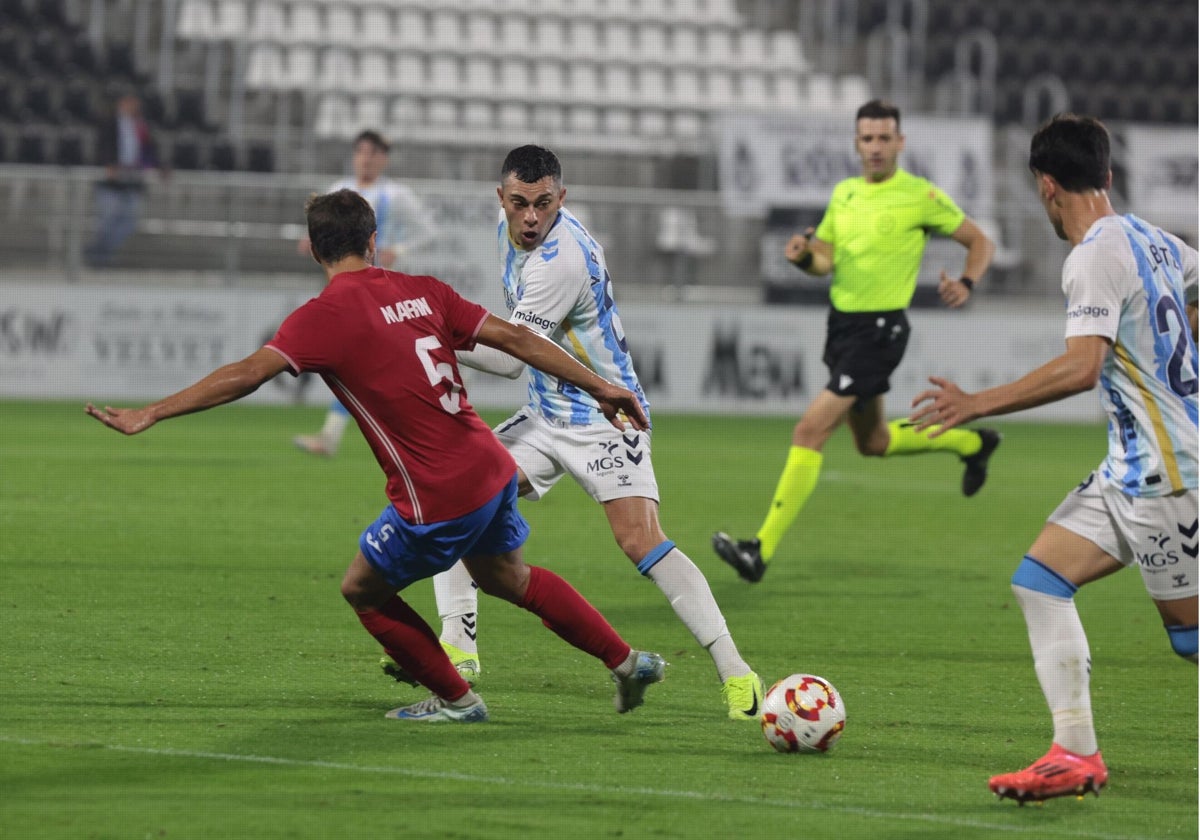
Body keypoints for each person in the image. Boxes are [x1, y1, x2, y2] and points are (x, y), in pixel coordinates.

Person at [86, 188, 666, 723]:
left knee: (362, 589)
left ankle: (457, 701)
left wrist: (153, 412)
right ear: (372, 240)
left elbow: (246, 374)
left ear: (313, 250)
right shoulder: (424, 290)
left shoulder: (323, 317)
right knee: (508, 576)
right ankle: (626, 662)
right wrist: (599, 385)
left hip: (435, 493)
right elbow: (516, 339)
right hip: (492, 468)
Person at [385, 145, 764, 720]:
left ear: (561, 198)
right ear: (502, 199)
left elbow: (512, 358)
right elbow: (518, 343)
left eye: (543, 204)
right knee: (455, 498)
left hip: (604, 417)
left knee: (641, 541)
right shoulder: (509, 233)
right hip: (544, 414)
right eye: (520, 204)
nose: (531, 217)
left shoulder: (559, 261)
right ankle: (458, 654)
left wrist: (428, 341)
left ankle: (738, 674)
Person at [910, 113, 1198, 803]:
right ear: (1105, 172)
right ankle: (1074, 753)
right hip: (1130, 467)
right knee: (1038, 580)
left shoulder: (1093, 255)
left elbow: (1080, 368)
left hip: (1168, 476)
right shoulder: (1160, 241)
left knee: (1190, 638)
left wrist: (978, 403)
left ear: (1046, 186)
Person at [712, 99, 999, 583]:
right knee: (873, 441)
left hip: (882, 330)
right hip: (843, 327)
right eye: (867, 138)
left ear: (900, 142)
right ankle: (974, 441)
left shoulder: (920, 196)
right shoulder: (844, 194)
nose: (876, 147)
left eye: (885, 138)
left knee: (809, 431)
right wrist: (803, 257)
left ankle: (758, 551)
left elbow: (980, 241)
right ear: (856, 143)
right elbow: (824, 260)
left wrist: (967, 282)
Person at [293, 129, 436, 458]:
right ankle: (334, 435)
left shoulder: (397, 195)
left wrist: (398, 248)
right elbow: (321, 226)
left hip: (381, 289)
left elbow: (428, 232)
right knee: (361, 360)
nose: (366, 159)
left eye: (372, 153)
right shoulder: (338, 191)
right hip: (344, 288)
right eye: (361, 152)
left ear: (383, 159)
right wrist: (312, 240)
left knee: (365, 360)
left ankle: (335, 435)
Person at [84, 92, 163, 268]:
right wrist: (108, 165)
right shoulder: (108, 123)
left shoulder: (141, 125)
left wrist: (158, 167)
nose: (132, 107)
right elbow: (102, 146)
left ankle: (99, 252)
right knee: (107, 219)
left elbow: (149, 150)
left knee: (129, 221)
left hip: (133, 180)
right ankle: (99, 257)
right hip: (111, 181)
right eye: (128, 103)